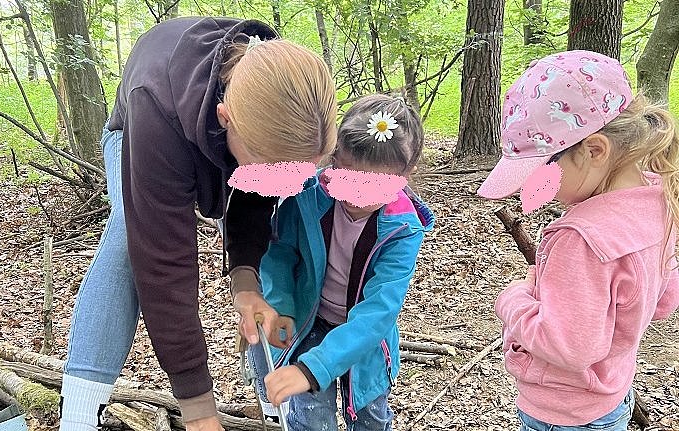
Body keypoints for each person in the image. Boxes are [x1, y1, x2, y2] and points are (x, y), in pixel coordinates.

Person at [58, 17, 337, 431]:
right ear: (226, 117)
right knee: (125, 239)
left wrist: (245, 282)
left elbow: (254, 195)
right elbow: (164, 267)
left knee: (258, 262)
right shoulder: (153, 104)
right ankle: (78, 415)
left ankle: (272, 395)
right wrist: (198, 410)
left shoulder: (279, 88)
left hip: (236, 145)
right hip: (139, 133)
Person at [477, 50, 679, 430]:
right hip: (611, 398)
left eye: (542, 172)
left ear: (595, 150)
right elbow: (664, 301)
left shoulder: (581, 238)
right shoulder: (659, 202)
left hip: (562, 411)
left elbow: (569, 346)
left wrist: (513, 301)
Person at [248, 94, 435, 430]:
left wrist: (312, 368)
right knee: (310, 417)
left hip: (365, 340)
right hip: (309, 322)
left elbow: (378, 312)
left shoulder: (404, 228)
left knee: (370, 416)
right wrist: (283, 307)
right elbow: (280, 253)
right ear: (333, 158)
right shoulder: (306, 196)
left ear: (405, 175)